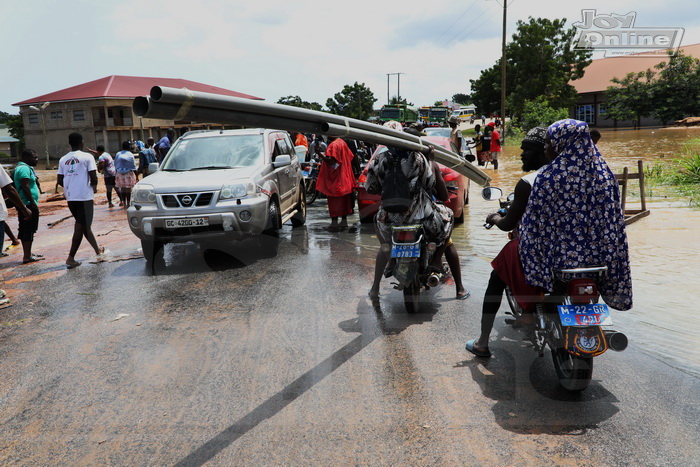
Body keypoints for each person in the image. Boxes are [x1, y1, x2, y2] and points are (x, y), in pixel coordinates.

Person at [465, 120, 633, 357]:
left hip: (554, 260)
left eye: (548, 144)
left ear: (561, 144)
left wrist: (496, 218)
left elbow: (532, 228)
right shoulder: (605, 176)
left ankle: (483, 341)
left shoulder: (542, 179)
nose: (546, 148)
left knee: (498, 271)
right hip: (598, 260)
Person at [365, 141, 454, 300]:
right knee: (450, 216)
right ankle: (437, 260)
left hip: (389, 220)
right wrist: (431, 160)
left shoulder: (380, 159)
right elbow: (431, 184)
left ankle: (388, 263)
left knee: (377, 224)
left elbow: (370, 187)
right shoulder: (420, 159)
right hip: (422, 218)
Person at [57, 132, 105, 269]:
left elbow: (60, 180)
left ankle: (97, 251)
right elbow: (93, 176)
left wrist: (71, 185)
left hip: (71, 197)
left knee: (84, 225)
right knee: (80, 226)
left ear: (69, 143)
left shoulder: (62, 159)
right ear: (81, 143)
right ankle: (71, 258)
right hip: (84, 196)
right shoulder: (87, 157)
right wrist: (93, 188)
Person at [316, 136, 356, 231]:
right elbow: (351, 157)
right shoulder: (342, 142)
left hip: (337, 179)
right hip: (345, 177)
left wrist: (319, 154)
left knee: (334, 201)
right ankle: (343, 221)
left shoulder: (334, 145)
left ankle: (334, 223)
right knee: (344, 201)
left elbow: (332, 161)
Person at [13, 148, 44, 263]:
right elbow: (25, 186)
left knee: (26, 228)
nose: (36, 159)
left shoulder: (23, 168)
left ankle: (28, 253)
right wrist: (32, 203)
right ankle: (27, 256)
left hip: (26, 203)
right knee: (28, 229)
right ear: (26, 158)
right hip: (27, 204)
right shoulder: (24, 168)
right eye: (34, 157)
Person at [114, 141, 137, 208]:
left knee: (122, 189)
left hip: (119, 174)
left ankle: (124, 203)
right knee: (128, 189)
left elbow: (115, 164)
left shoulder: (118, 154)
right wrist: (137, 176)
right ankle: (128, 203)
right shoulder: (130, 154)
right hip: (128, 174)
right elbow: (133, 165)